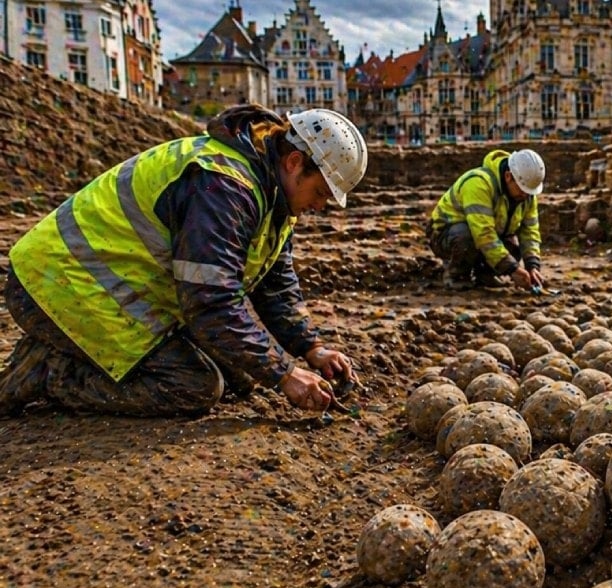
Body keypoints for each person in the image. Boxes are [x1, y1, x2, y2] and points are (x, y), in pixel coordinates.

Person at [0, 104, 368, 418]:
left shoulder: (273, 196)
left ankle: (69, 356)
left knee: (241, 373)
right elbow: (210, 303)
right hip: (57, 285)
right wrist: (286, 374)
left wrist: (310, 348)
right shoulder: (223, 187)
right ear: (293, 162)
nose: (320, 207)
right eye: (320, 192)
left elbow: (275, 285)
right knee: (193, 386)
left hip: (108, 286)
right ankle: (50, 370)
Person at [428, 148, 546, 291]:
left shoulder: (526, 195)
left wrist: (532, 266)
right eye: (522, 190)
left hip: (485, 236)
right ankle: (457, 275)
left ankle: (484, 275)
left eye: (529, 192)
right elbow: (483, 234)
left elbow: (530, 232)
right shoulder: (478, 184)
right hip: (445, 236)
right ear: (508, 176)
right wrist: (512, 269)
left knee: (512, 246)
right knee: (466, 237)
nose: (526, 196)